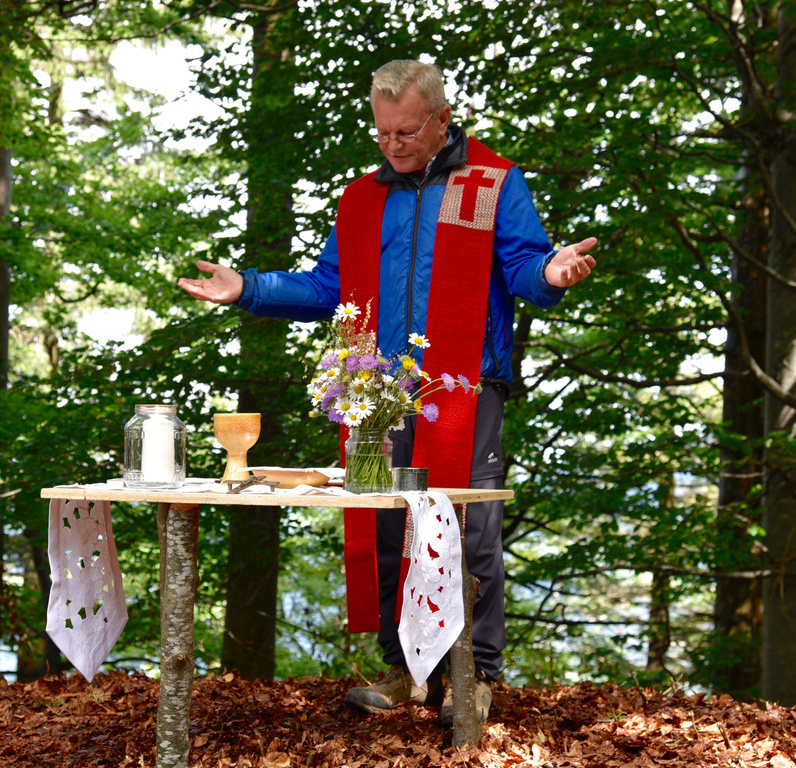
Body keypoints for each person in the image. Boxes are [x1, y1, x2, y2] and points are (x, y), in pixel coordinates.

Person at [178, 59, 596, 726]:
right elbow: (327, 289)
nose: (392, 145)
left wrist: (550, 273)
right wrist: (249, 288)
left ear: (441, 120)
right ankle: (406, 672)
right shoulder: (361, 198)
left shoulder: (492, 181)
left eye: (405, 132)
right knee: (383, 523)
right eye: (382, 133)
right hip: (374, 390)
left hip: (464, 386)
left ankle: (474, 676)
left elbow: (524, 267)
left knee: (467, 529)